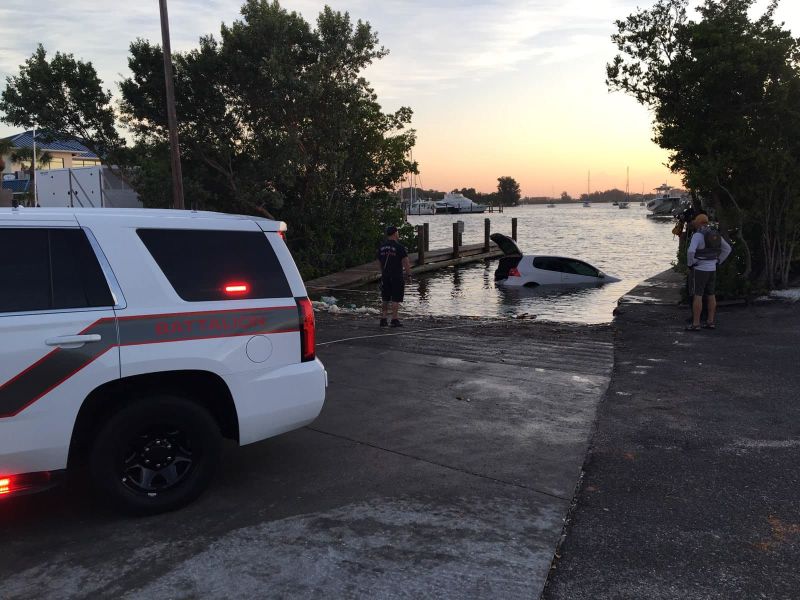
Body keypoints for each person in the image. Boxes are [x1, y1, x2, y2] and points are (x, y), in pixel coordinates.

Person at [686, 213, 731, 331]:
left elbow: (691, 251)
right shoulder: (714, 234)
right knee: (711, 294)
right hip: (712, 269)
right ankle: (710, 322)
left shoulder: (698, 235)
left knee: (698, 295)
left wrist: (690, 264)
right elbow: (728, 249)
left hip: (700, 270)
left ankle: (696, 324)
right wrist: (718, 261)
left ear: (698, 223)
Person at [377, 225, 412, 327]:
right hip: (396, 275)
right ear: (395, 233)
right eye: (397, 232)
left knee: (385, 298)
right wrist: (409, 274)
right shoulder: (399, 247)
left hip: (385, 276)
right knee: (396, 298)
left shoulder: (382, 247)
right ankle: (394, 319)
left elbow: (379, 262)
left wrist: (382, 273)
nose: (398, 234)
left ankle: (383, 319)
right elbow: (406, 262)